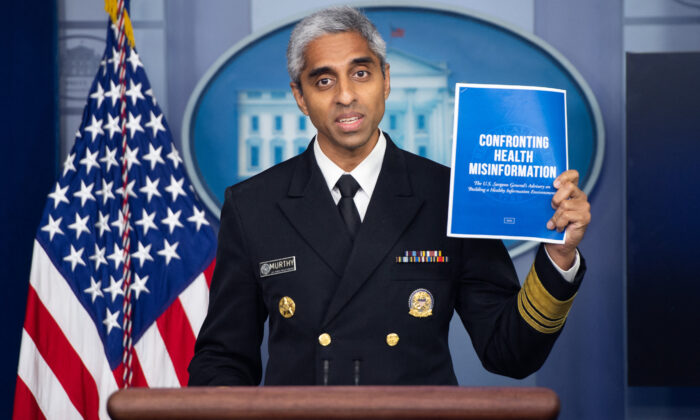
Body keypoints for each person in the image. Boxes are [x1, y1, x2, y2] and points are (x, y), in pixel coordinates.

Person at [188, 6, 590, 386]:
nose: (345, 95)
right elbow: (223, 360)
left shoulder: (451, 196)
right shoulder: (253, 205)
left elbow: (509, 354)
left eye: (360, 73)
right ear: (300, 96)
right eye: (324, 80)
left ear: (386, 79)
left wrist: (560, 257)